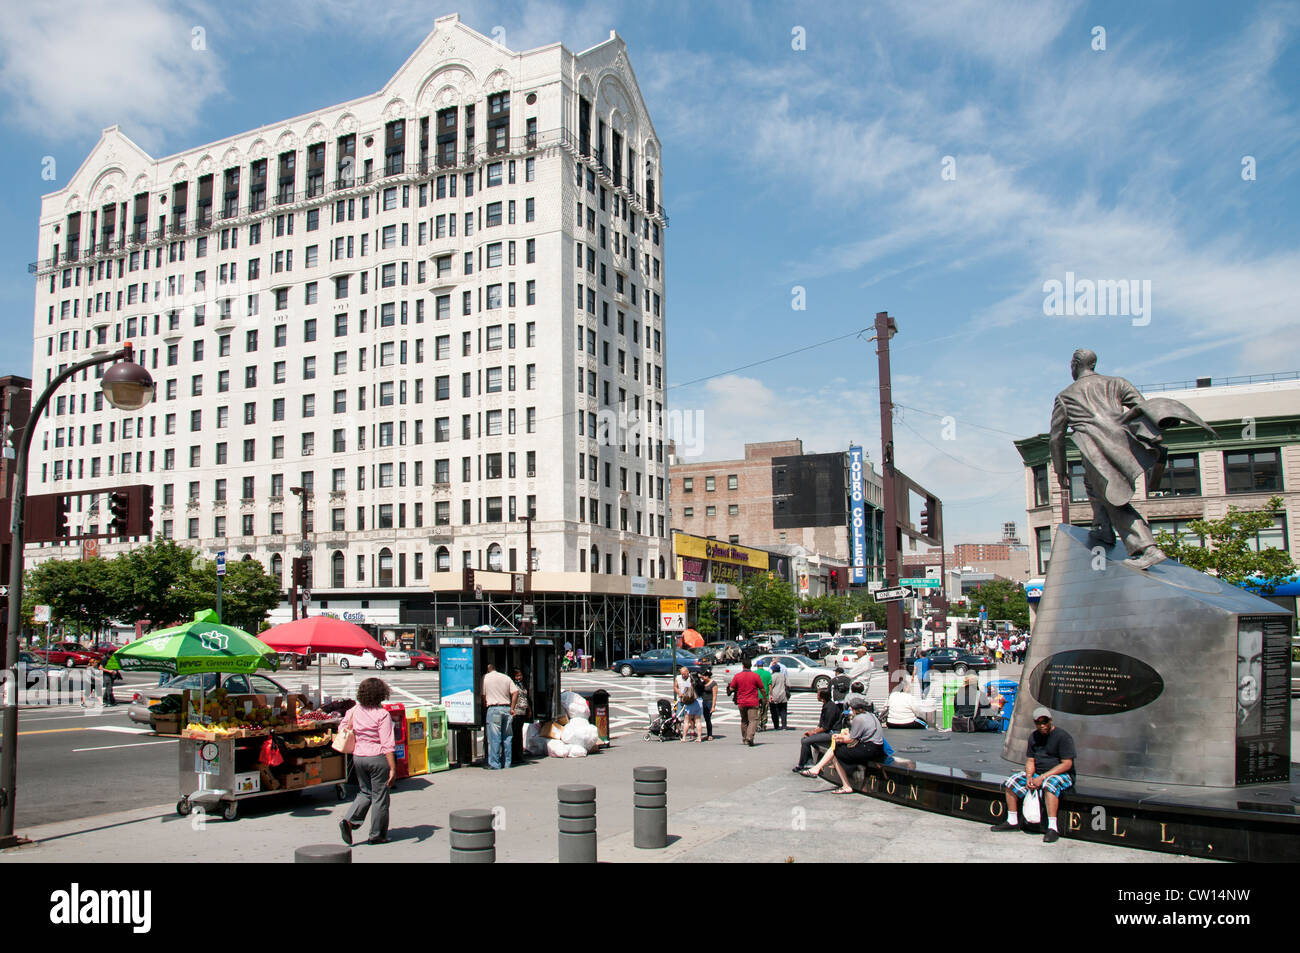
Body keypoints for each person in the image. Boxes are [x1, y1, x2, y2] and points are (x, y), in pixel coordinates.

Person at [991, 707, 1076, 843]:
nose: (1042, 725)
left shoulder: (1063, 737)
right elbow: (1030, 760)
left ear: (1051, 720)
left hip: (1061, 773)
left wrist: (1042, 777)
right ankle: (1012, 820)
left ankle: (1053, 828)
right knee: (1012, 781)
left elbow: (1067, 764)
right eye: (1039, 723)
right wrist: (1030, 777)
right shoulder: (1034, 737)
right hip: (1038, 773)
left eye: (1045, 722)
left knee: (1050, 784)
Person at [339, 677, 397, 845]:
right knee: (380, 796)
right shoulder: (382, 714)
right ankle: (377, 834)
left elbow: (343, 728)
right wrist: (392, 768)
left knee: (365, 791)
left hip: (358, 757)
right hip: (377, 758)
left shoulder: (354, 711)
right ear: (381, 694)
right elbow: (387, 744)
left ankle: (349, 820)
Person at [801, 697, 886, 793]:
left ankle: (845, 785)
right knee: (836, 748)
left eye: (850, 708)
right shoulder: (871, 716)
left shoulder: (858, 719)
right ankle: (816, 768)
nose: (849, 710)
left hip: (868, 749)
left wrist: (839, 737)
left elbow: (850, 740)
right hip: (878, 749)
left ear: (855, 709)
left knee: (835, 750)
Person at [795, 686, 842, 771]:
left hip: (833, 733)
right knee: (805, 739)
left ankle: (802, 764)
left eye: (818, 694)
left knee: (806, 741)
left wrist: (813, 732)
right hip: (828, 731)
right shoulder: (826, 705)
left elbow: (826, 727)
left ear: (822, 696)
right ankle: (808, 762)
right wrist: (814, 731)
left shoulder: (830, 707)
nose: (817, 696)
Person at [482, 662, 518, 769]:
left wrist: (485, 706)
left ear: (488, 669)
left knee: (495, 737)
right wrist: (512, 708)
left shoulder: (485, 678)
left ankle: (495, 763)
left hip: (494, 709)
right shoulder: (505, 677)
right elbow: (515, 692)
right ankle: (507, 762)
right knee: (507, 737)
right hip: (506, 709)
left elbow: (483, 696)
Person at [727, 658, 765, 746]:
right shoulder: (755, 676)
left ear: (743, 666)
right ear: (751, 666)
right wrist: (764, 697)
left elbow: (732, 688)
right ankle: (750, 737)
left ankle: (744, 738)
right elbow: (762, 688)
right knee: (753, 720)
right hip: (753, 701)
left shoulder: (737, 676)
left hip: (741, 701)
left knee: (744, 720)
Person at [674, 666, 704, 743]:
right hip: (699, 701)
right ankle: (699, 737)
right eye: (682, 674)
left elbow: (686, 691)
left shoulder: (689, 681)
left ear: (688, 672)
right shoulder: (698, 682)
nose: (683, 675)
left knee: (686, 720)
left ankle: (684, 737)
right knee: (698, 720)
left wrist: (683, 694)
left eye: (685, 674)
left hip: (690, 702)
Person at [510, 667, 531, 759]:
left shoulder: (522, 685)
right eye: (517, 676)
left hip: (523, 710)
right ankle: (515, 755)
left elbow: (525, 698)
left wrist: (529, 709)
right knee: (515, 733)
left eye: (520, 675)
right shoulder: (513, 685)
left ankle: (519, 754)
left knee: (519, 733)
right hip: (516, 711)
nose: (519, 677)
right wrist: (512, 709)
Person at [699, 666, 719, 740]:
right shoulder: (702, 683)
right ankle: (707, 734)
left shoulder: (713, 684)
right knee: (705, 718)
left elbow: (714, 696)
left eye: (704, 676)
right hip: (703, 701)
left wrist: (713, 706)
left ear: (707, 676)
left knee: (708, 718)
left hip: (709, 701)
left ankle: (710, 734)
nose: (702, 677)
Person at [768, 661, 789, 730]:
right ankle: (784, 726)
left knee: (774, 712)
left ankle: (776, 725)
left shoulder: (772, 676)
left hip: (775, 696)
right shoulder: (783, 676)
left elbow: (770, 686)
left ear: (773, 670)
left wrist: (770, 695)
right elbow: (788, 685)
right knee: (783, 712)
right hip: (783, 696)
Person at [754, 660, 773, 731]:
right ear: (763, 665)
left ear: (757, 665)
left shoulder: (754, 673)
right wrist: (771, 694)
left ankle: (758, 724)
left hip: (756, 695)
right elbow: (770, 685)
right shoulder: (767, 674)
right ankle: (764, 724)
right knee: (765, 710)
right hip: (765, 695)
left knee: (757, 710)